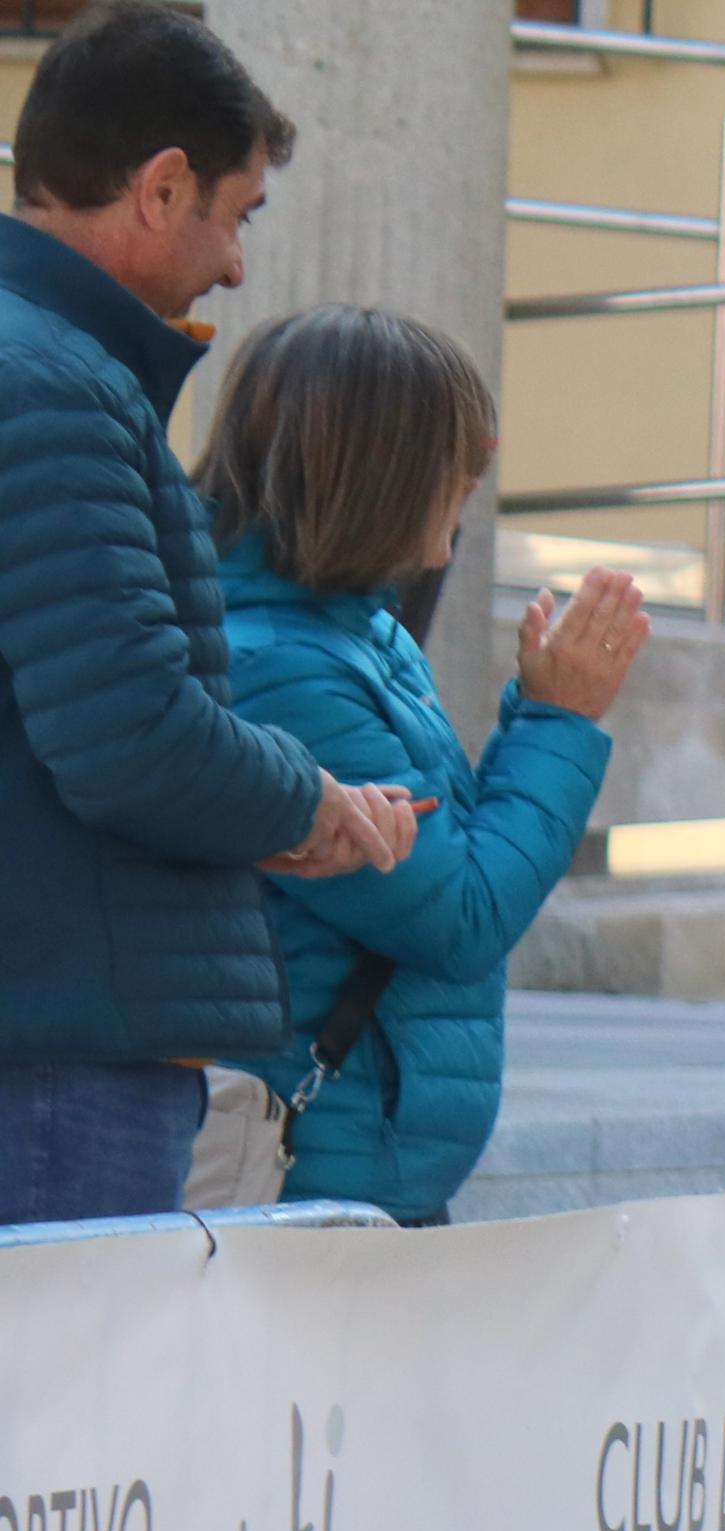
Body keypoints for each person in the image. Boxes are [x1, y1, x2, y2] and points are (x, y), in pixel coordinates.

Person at [0, 1, 421, 1227]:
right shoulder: (57, 391)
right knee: (64, 1416)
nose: (237, 265)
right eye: (238, 216)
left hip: (47, 1024)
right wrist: (308, 805)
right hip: (57, 1048)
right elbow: (131, 731)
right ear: (164, 186)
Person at [201, 307, 647, 1225]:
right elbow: (460, 914)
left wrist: (538, 706)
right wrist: (560, 719)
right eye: (457, 471)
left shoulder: (354, 632)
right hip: (316, 1167)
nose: (466, 495)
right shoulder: (276, 666)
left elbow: (456, 850)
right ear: (387, 478)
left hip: (366, 1153)